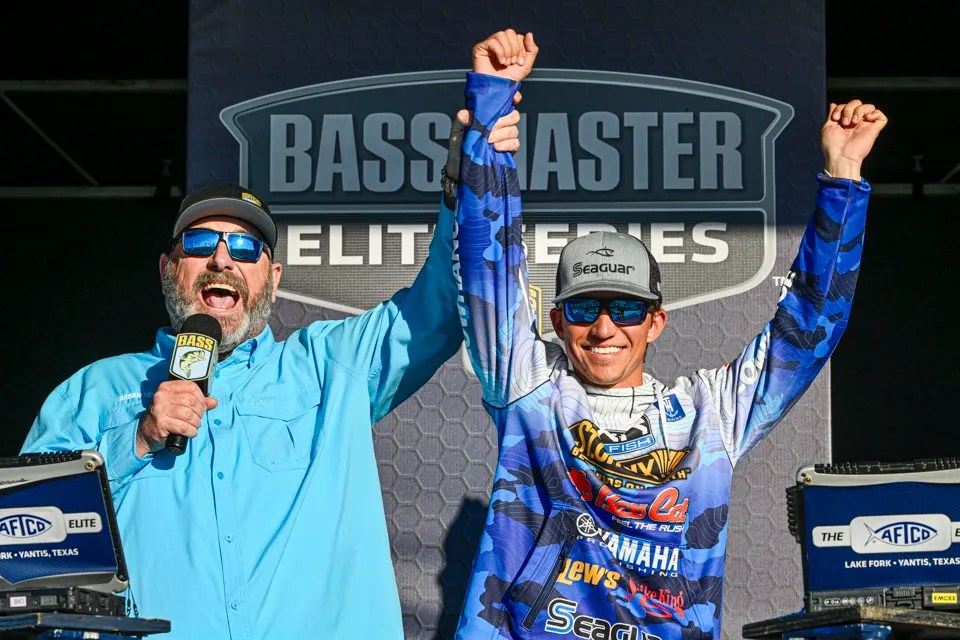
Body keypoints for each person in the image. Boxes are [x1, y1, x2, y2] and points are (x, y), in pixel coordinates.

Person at [19, 99, 521, 637]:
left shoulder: (331, 366)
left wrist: (468, 180)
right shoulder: (93, 391)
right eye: (200, 243)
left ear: (274, 278)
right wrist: (137, 438)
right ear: (167, 268)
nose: (222, 259)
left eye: (245, 246)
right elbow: (24, 549)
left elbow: (442, 302)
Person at [451, 28, 886, 640]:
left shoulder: (709, 415)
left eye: (627, 310)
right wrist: (491, 102)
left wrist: (843, 177)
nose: (605, 327)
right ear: (556, 321)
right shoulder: (529, 388)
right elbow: (488, 266)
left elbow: (807, 328)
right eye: (585, 309)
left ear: (656, 321)